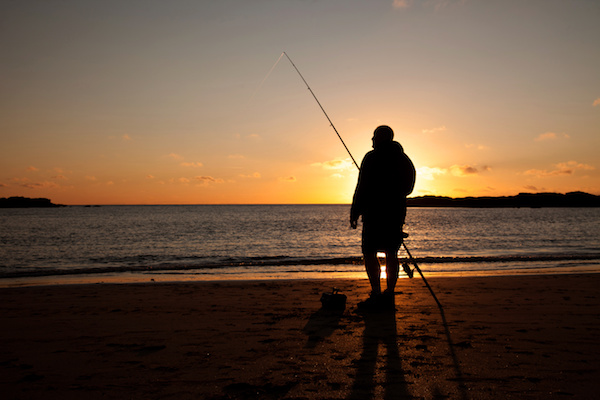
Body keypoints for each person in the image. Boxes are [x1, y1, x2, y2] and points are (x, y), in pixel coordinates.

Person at [350, 125, 416, 309]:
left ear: (380, 138)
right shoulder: (403, 159)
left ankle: (377, 292)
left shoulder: (371, 158)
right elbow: (409, 188)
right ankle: (388, 293)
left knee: (369, 252)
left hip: (374, 214)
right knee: (391, 252)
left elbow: (361, 187)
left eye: (374, 137)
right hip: (396, 213)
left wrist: (355, 212)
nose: (371, 140)